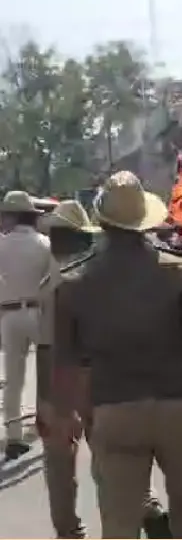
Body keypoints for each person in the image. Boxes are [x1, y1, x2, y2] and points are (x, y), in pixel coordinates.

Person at [48, 171, 182, 538]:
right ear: (145, 221)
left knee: (119, 519)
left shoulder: (72, 283)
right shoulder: (179, 270)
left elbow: (66, 362)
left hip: (113, 410)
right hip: (177, 404)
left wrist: (66, 415)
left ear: (101, 220)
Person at [37, 200, 171, 538]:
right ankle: (147, 506)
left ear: (58, 238)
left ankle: (70, 530)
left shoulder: (54, 284)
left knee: (60, 463)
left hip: (69, 382)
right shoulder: (105, 274)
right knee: (117, 457)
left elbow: (47, 348)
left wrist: (46, 403)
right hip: (112, 378)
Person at [0, 190, 51, 460]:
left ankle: (13, 435)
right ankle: (46, 422)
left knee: (13, 379)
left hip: (8, 315)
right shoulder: (44, 244)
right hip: (37, 311)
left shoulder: (1, 245)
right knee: (46, 373)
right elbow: (53, 282)